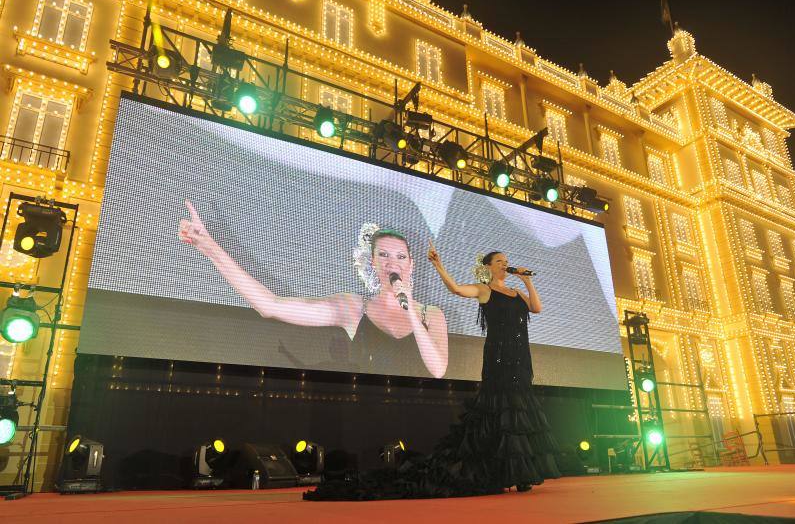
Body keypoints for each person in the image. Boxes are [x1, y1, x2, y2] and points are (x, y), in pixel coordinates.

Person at [304, 244, 561, 500]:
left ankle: (519, 472)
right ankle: (506, 472)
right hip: (499, 357)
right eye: (499, 261)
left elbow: (536, 308)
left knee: (519, 409)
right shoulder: (485, 290)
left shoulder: (516, 292)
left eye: (506, 261)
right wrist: (438, 266)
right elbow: (457, 289)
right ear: (487, 268)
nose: (505, 264)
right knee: (502, 409)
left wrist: (527, 282)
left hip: (520, 357)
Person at [178, 200, 448, 378]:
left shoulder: (432, 315)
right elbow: (270, 306)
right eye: (384, 256)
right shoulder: (354, 307)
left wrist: (410, 308)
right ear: (373, 262)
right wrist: (210, 249)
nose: (393, 263)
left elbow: (437, 369)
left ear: (411, 265)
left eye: (401, 257)